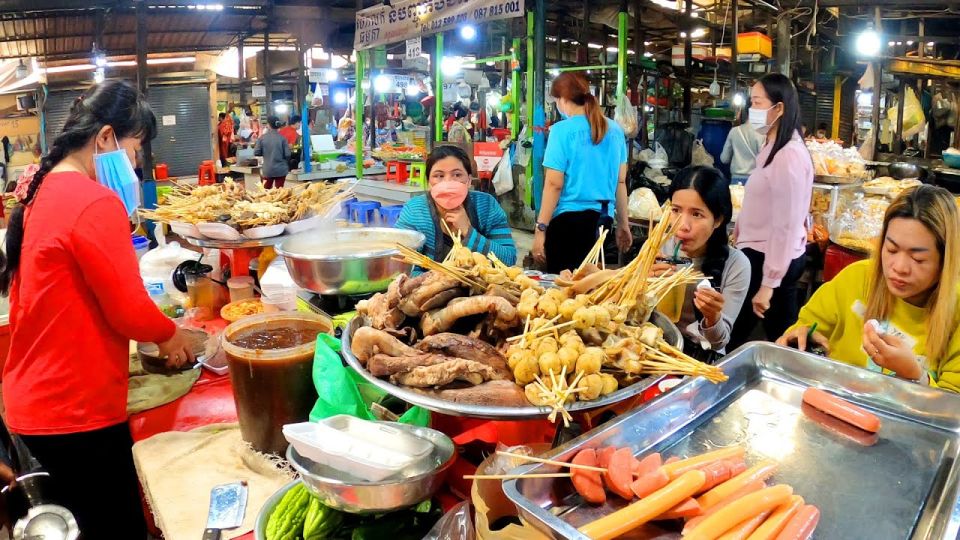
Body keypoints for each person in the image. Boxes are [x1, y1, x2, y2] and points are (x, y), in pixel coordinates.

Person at [0, 80, 197, 538]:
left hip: (33, 402)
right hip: (72, 410)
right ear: (106, 138)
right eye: (135, 149)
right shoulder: (92, 200)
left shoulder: (44, 189)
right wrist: (173, 335)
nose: (135, 164)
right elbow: (127, 307)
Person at [777, 186, 960, 392]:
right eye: (891, 250)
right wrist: (800, 338)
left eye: (918, 259)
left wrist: (916, 377)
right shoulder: (857, 278)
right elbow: (804, 328)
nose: (898, 267)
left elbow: (952, 410)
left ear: (945, 261)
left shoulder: (955, 312)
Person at [728, 73, 814, 349]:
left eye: (757, 102)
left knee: (751, 331)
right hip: (761, 252)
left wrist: (769, 283)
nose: (752, 110)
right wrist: (739, 232)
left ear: (779, 108)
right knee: (778, 332)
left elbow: (785, 224)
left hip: (770, 257)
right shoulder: (771, 147)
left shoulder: (788, 155)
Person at [533, 72, 631, 274]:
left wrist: (540, 229)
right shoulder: (615, 130)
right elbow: (621, 182)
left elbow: (554, 184)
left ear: (562, 99)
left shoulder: (561, 131)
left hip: (567, 223)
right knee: (590, 287)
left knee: (563, 292)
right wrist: (623, 223)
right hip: (602, 222)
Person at [654, 166, 751, 361]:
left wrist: (712, 317)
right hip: (656, 347)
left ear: (718, 220)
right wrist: (642, 285)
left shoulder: (736, 264)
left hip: (699, 360)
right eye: (676, 210)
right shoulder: (657, 247)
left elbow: (719, 342)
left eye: (697, 214)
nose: (683, 225)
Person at [396, 144, 516, 264]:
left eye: (457, 175)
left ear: (468, 181)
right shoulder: (414, 210)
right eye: (439, 176)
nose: (448, 182)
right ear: (429, 183)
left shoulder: (487, 206)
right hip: (429, 282)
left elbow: (509, 259)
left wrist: (468, 231)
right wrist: (439, 279)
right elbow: (401, 260)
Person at [720, 110, 764, 185]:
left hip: (736, 181)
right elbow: (764, 161)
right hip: (755, 181)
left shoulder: (734, 131)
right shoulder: (763, 133)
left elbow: (724, 159)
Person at [254, 116, 290, 189]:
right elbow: (288, 154)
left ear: (268, 125)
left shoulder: (262, 138)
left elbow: (257, 152)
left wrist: (266, 152)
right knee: (279, 192)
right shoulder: (283, 138)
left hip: (268, 170)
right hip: (281, 170)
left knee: (266, 192)